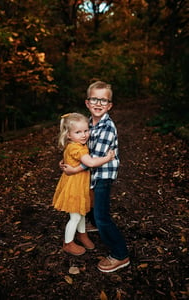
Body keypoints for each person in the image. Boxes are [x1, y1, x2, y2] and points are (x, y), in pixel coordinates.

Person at [61, 81, 130, 272]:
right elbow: (78, 147)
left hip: (102, 175)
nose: (98, 103)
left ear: (109, 106)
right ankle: (90, 222)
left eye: (103, 100)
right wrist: (68, 161)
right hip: (91, 174)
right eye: (94, 99)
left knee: (103, 217)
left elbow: (93, 159)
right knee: (90, 203)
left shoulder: (107, 127)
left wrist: (74, 170)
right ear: (87, 102)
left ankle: (120, 254)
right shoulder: (88, 123)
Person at [52, 112, 114, 256]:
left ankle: (82, 234)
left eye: (86, 130)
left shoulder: (76, 144)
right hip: (74, 186)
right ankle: (68, 243)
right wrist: (107, 158)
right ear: (68, 135)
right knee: (75, 217)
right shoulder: (76, 148)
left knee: (81, 213)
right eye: (78, 132)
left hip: (80, 184)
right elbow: (91, 162)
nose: (84, 135)